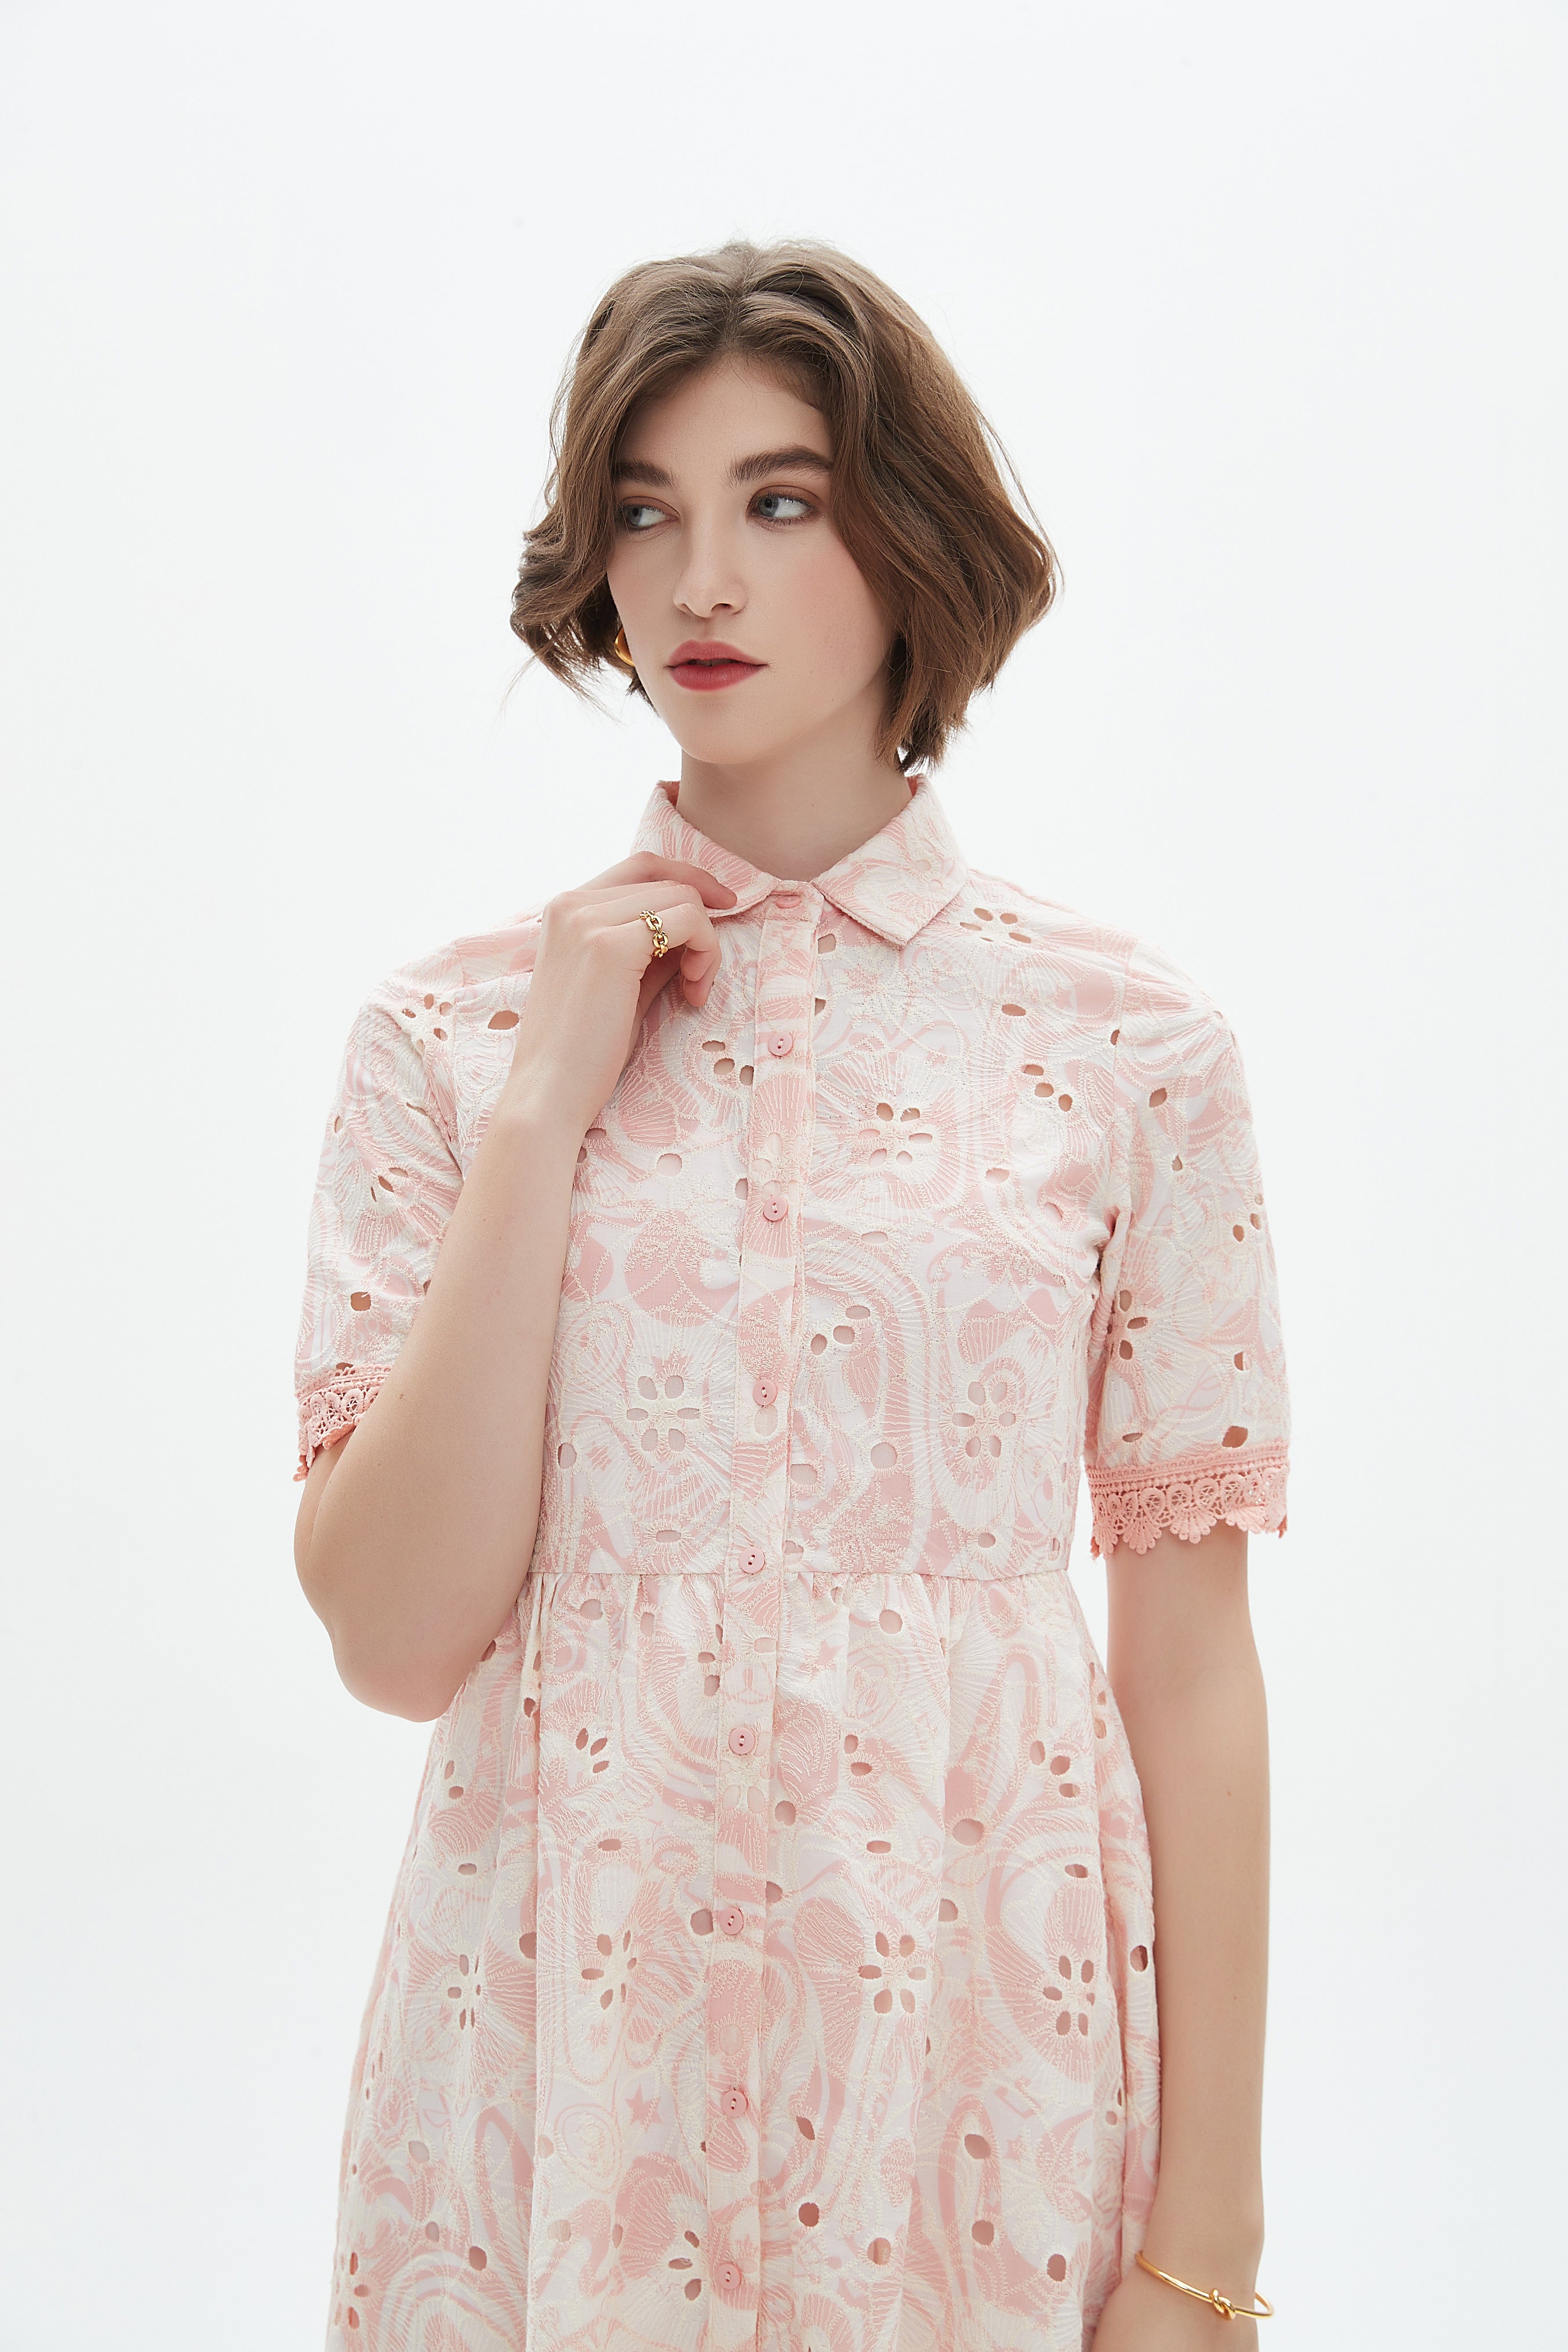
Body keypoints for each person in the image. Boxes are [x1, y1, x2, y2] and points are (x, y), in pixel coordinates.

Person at [292, 240, 1288, 2352]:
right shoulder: (452, 1040)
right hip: (557, 2078)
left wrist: (1205, 2252)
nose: (700, 580)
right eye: (644, 509)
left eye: (779, 499)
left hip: (977, 2078)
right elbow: (392, 1636)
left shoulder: (1126, 1046)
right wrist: (546, 1115)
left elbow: (1191, 1676)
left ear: (908, 536)